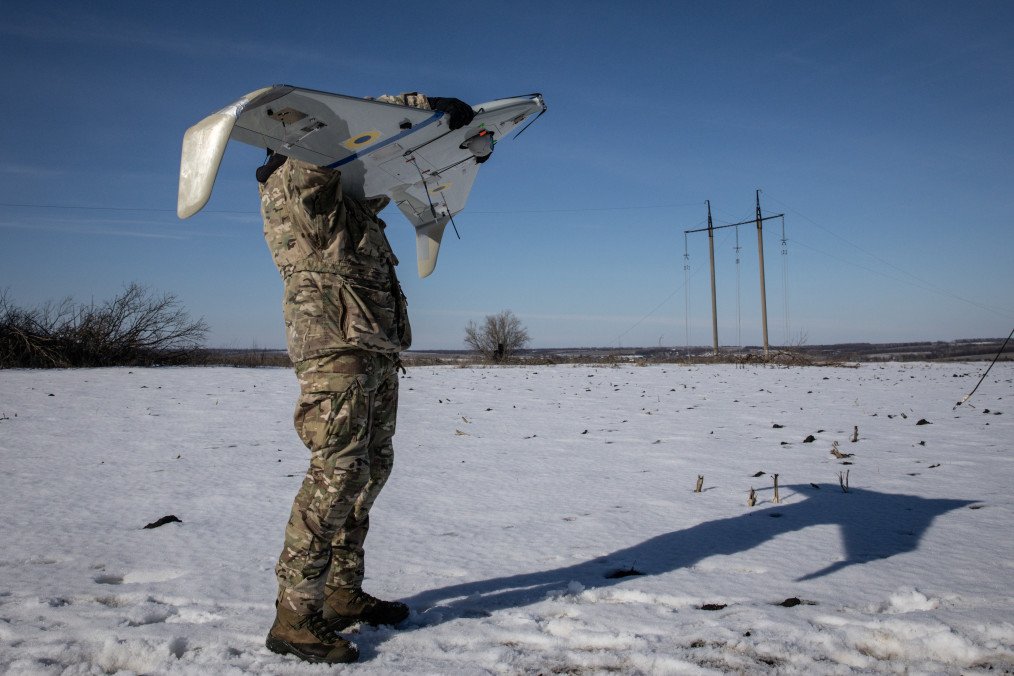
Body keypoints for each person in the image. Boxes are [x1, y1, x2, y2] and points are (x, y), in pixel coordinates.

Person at [257, 92, 475, 664]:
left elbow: (389, 164)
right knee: (336, 471)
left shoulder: (350, 208)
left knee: (370, 468)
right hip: (336, 353)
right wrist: (415, 105)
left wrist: (456, 149)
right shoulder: (300, 190)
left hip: (373, 352)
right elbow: (336, 127)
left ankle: (342, 593)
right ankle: (295, 615)